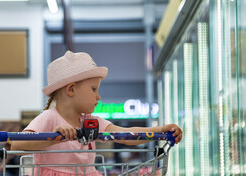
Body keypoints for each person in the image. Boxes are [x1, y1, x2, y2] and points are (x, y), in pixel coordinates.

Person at [11, 51, 182, 176]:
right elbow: (17, 146)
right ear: (71, 89)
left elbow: (123, 135)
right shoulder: (49, 118)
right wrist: (54, 137)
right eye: (93, 89)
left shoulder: (91, 122)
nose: (98, 96)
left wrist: (160, 131)